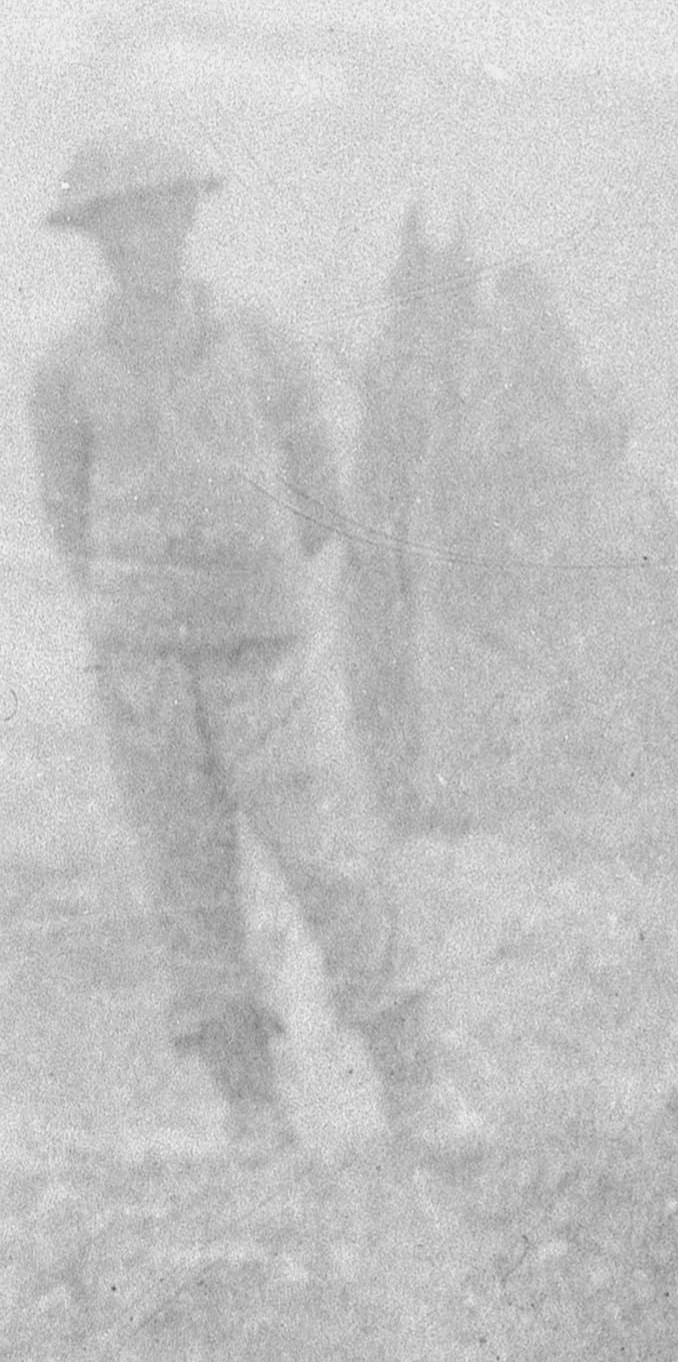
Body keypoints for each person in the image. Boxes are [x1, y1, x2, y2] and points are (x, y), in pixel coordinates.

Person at [32, 131, 467, 1156]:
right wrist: (141, 605)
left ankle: (417, 1085)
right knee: (188, 882)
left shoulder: (263, 345)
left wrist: (243, 578)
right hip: (144, 664)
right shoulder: (66, 371)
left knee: (331, 862)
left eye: (163, 212)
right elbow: (70, 517)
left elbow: (318, 495)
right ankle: (251, 1105)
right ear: (98, 237)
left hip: (264, 651)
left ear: (188, 220)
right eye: (123, 220)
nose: (146, 236)